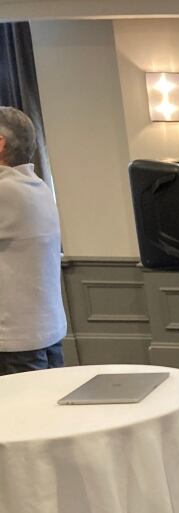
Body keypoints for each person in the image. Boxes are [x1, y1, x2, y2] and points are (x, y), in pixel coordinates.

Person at [0, 106, 67, 376]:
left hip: (16, 340)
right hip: (42, 332)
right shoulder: (36, 186)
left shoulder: (5, 191)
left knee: (24, 417)